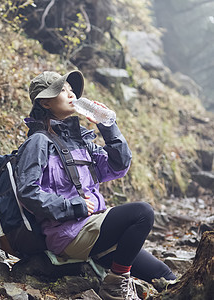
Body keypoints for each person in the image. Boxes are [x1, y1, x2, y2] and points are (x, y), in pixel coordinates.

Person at [15, 70, 176, 300]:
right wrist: (74, 207)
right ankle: (115, 285)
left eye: (72, 90)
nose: (71, 94)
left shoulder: (79, 140)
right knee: (142, 212)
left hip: (96, 230)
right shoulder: (38, 142)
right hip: (69, 234)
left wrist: (108, 125)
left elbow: (118, 166)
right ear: (46, 102)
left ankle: (120, 276)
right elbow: (28, 192)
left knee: (165, 276)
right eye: (63, 90)